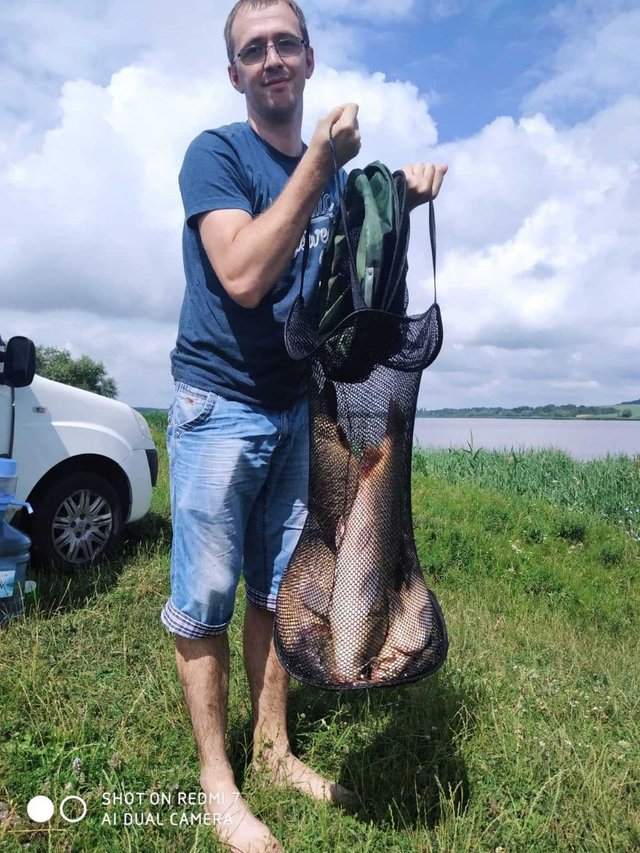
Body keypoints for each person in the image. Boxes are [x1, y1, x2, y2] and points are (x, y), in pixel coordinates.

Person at [162, 1, 447, 850]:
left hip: (299, 411)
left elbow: (353, 251)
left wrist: (404, 194)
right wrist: (320, 160)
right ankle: (219, 781)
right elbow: (245, 272)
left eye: (286, 43)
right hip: (217, 403)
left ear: (311, 58)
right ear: (235, 73)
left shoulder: (330, 175)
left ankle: (274, 747)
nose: (273, 58)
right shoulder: (216, 156)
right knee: (205, 602)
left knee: (279, 592)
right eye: (255, 50)